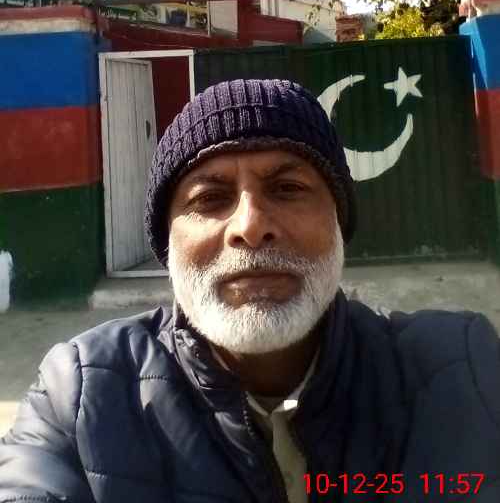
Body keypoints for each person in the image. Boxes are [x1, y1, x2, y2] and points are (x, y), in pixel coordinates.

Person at [1, 78, 499, 503]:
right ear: (167, 242)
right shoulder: (80, 395)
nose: (251, 226)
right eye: (209, 198)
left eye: (288, 189)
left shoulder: (464, 368)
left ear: (338, 222)